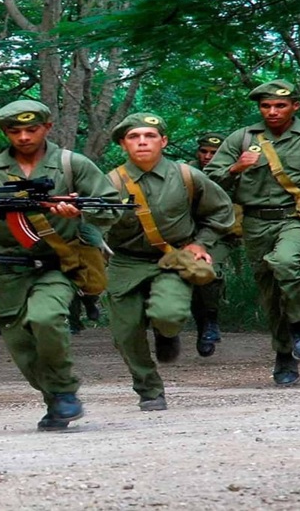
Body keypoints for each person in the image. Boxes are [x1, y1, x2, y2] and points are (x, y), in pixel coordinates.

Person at [0, 100, 122, 431]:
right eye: (15, 131)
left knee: (46, 318)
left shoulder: (72, 164)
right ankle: (56, 400)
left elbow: (112, 207)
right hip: (5, 270)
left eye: (32, 129)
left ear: (47, 127)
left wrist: (79, 211)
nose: (24, 137)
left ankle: (64, 390)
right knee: (20, 345)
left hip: (57, 265)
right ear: (5, 132)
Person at [203, 80, 300, 385]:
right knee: (271, 293)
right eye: (266, 106)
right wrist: (235, 168)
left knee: (286, 261)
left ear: (294, 106)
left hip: (297, 218)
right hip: (255, 222)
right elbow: (208, 182)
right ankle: (284, 353)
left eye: (280, 105)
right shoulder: (241, 138)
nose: (273, 111)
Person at [103, 114, 235, 411]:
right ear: (123, 144)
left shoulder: (187, 176)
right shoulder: (109, 184)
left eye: (149, 136)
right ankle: (149, 389)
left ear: (163, 141)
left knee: (169, 314)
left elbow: (221, 211)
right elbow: (92, 224)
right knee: (126, 334)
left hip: (173, 259)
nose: (142, 142)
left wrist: (201, 242)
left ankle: (166, 332)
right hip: (126, 262)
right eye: (134, 137)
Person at [188, 131, 238, 356]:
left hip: (220, 235)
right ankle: (203, 326)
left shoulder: (235, 172)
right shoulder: (184, 172)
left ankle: (210, 321)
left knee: (208, 272)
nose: (207, 157)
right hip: (186, 235)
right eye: (204, 151)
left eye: (214, 153)